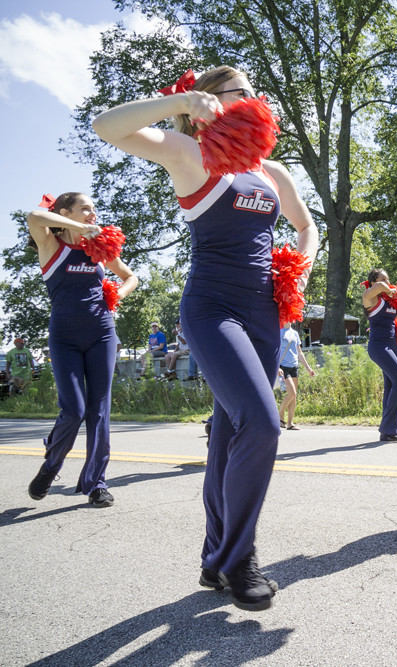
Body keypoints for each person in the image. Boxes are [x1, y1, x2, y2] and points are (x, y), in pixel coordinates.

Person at [93, 65, 318, 611]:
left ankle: (214, 558)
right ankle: (241, 557)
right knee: (262, 422)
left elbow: (307, 225)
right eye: (240, 91)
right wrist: (180, 104)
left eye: (252, 91)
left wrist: (302, 268)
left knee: (227, 433)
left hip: (266, 316)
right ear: (212, 100)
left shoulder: (272, 171)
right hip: (212, 310)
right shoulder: (187, 153)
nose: (252, 98)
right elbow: (107, 126)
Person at [25, 192, 138, 508]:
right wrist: (82, 229)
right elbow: (35, 217)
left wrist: (115, 296)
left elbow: (132, 277)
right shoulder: (51, 245)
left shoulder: (99, 250)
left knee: (99, 411)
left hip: (102, 335)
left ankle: (97, 483)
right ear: (64, 213)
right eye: (85, 208)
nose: (93, 213)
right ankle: (51, 466)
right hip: (65, 338)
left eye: (94, 209)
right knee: (73, 410)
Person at [362, 269, 397, 442]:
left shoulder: (389, 301)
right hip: (379, 346)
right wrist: (389, 288)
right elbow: (381, 287)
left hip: (392, 346)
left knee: (391, 386)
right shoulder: (370, 297)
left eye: (389, 279)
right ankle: (387, 427)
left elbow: (394, 323)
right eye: (383, 279)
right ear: (373, 282)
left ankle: (388, 431)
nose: (387, 282)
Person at [277, 323, 316, 431]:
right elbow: (274, 351)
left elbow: (299, 352)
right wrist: (277, 367)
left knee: (293, 396)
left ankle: (290, 423)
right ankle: (279, 415)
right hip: (283, 366)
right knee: (292, 393)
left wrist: (308, 368)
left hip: (294, 366)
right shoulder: (278, 331)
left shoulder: (295, 333)